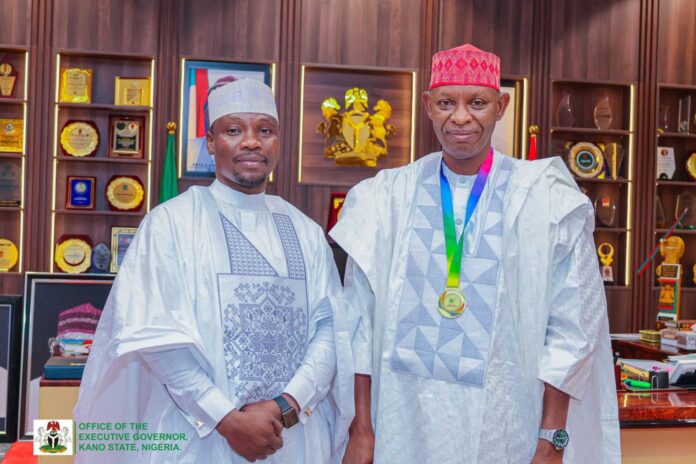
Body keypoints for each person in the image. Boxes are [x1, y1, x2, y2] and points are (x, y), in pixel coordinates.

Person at [331, 44, 620, 463]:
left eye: (477, 102)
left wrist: (552, 438)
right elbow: (358, 322)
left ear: (500, 106)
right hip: (401, 426)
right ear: (428, 106)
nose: (461, 117)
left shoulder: (544, 198)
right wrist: (361, 428)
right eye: (447, 102)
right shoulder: (386, 197)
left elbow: (573, 327)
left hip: (507, 430)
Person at [74, 77, 355, 463]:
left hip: (291, 439)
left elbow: (330, 330)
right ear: (210, 142)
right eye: (234, 130)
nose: (252, 142)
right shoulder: (171, 223)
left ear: (279, 140)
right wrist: (227, 419)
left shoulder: (306, 232)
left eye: (265, 130)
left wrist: (283, 406)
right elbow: (156, 335)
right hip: (197, 437)